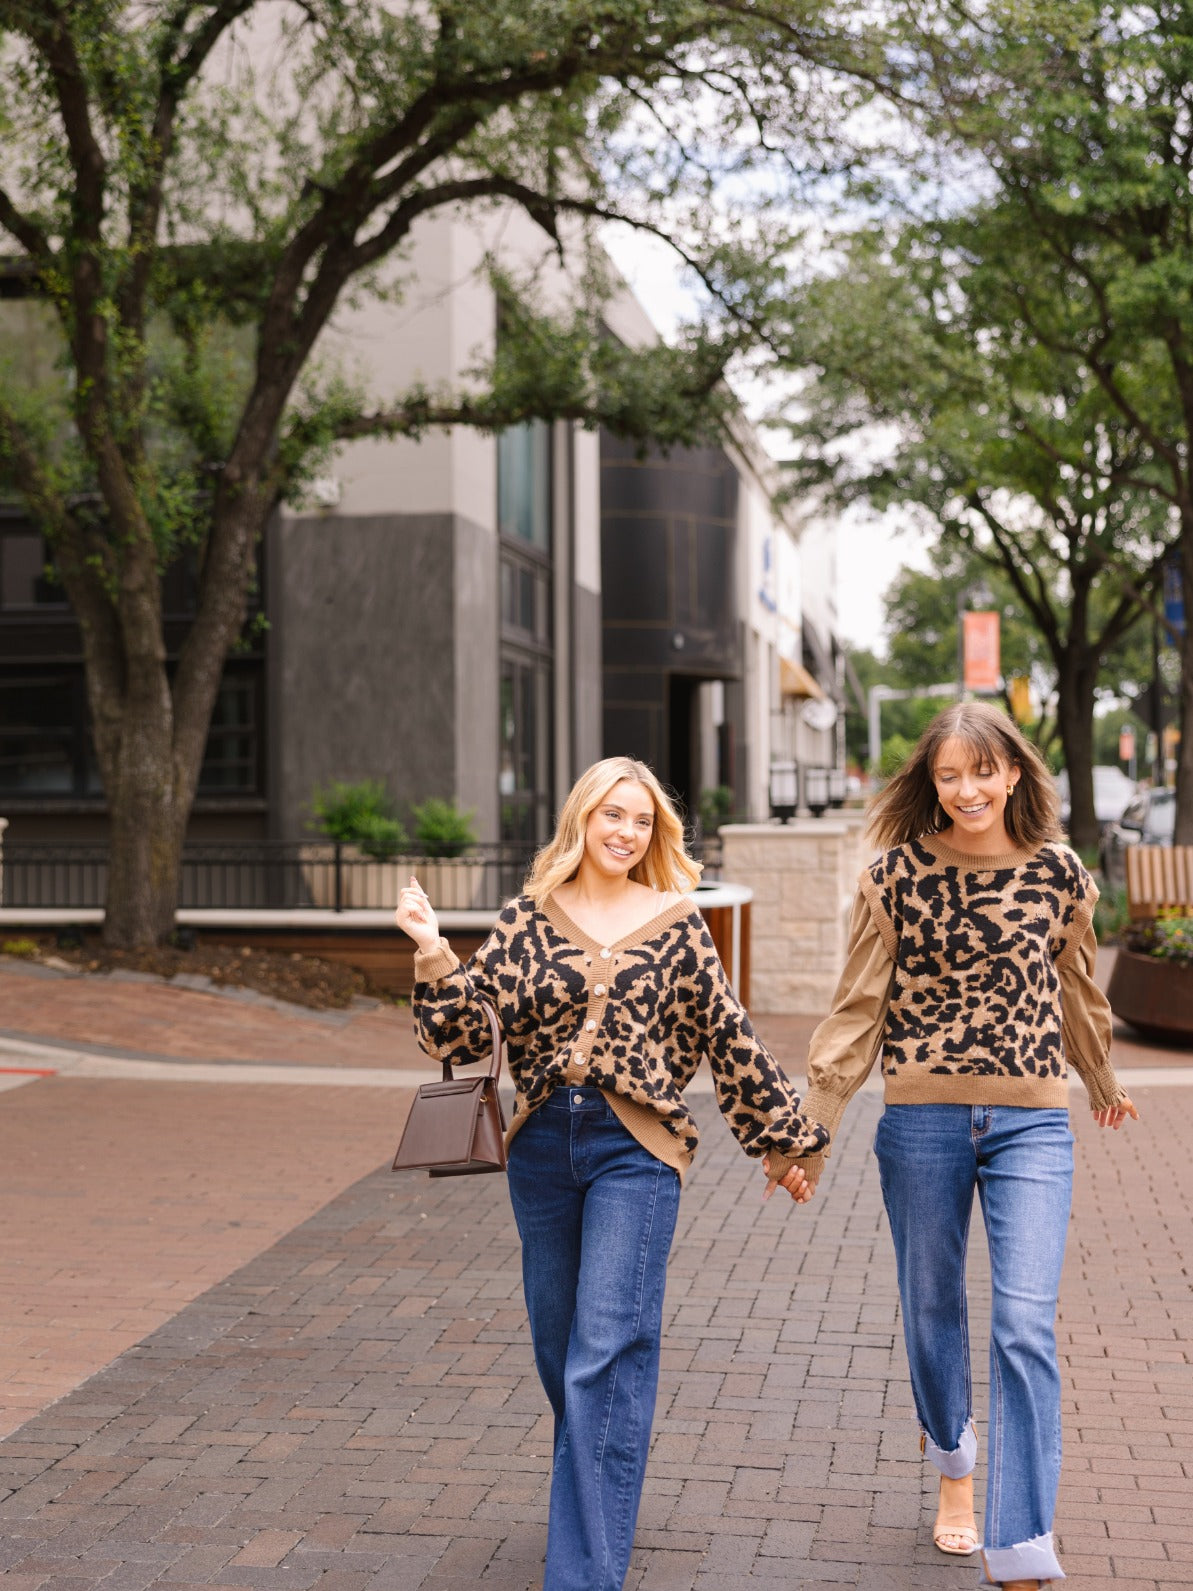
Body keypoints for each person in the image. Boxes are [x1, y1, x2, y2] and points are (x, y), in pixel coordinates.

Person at [395, 756, 826, 1591]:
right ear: (581, 821)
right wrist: (431, 952)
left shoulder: (675, 921)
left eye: (640, 820)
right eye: (611, 816)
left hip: (639, 1151)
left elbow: (726, 1036)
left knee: (606, 1353)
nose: (625, 833)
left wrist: (783, 1142)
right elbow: (461, 1034)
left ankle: (582, 1573)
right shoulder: (528, 917)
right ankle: (598, 1491)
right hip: (543, 1149)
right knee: (562, 1356)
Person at [767, 702, 1139, 1590]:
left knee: (1022, 1322)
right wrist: (809, 1129)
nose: (966, 789)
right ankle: (954, 1469)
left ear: (1013, 773)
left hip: (1031, 1122)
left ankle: (1020, 1546)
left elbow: (1076, 989)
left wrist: (1101, 1079)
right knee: (930, 1308)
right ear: (930, 783)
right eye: (948, 774)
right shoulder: (894, 876)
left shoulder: (1057, 873)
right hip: (923, 1119)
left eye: (982, 770)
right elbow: (857, 1010)